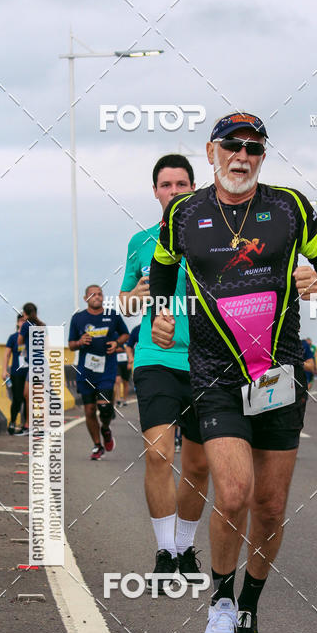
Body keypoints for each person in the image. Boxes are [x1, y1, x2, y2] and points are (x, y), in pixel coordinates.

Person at [150, 111, 317, 633]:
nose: (242, 156)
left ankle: (250, 606)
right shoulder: (184, 215)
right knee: (232, 492)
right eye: (231, 147)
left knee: (269, 504)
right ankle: (219, 603)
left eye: (253, 148)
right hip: (213, 371)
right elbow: (165, 267)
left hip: (277, 371)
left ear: (262, 155)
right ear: (211, 152)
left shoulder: (289, 207)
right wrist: (163, 313)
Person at [119, 154, 209, 589]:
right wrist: (135, 295)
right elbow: (126, 301)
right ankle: (164, 551)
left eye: (181, 184)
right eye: (166, 185)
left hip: (209, 362)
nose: (174, 191)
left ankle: (186, 546)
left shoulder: (216, 238)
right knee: (158, 453)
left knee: (198, 465)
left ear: (194, 188)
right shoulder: (141, 241)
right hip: (157, 357)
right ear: (155, 191)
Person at [68, 285, 129, 460]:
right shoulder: (78, 319)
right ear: (85, 298)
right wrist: (80, 342)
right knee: (89, 410)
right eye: (93, 294)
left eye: (100, 294)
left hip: (106, 370)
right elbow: (71, 345)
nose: (97, 297)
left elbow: (125, 334)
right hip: (86, 372)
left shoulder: (112, 315)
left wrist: (116, 343)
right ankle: (97, 445)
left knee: (104, 408)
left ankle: (105, 429)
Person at [18, 302, 45, 435]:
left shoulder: (26, 325)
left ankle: (37, 427)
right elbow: (47, 344)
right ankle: (31, 425)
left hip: (35, 364)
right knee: (30, 395)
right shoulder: (42, 326)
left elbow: (19, 342)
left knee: (33, 396)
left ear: (25, 313)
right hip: (41, 362)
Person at [2, 314, 28, 434]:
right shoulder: (12, 338)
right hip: (17, 372)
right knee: (17, 398)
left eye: (25, 321)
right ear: (18, 323)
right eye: (21, 321)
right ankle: (12, 422)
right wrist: (4, 370)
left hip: (29, 372)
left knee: (27, 398)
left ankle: (26, 425)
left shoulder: (30, 337)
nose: (23, 323)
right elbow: (7, 354)